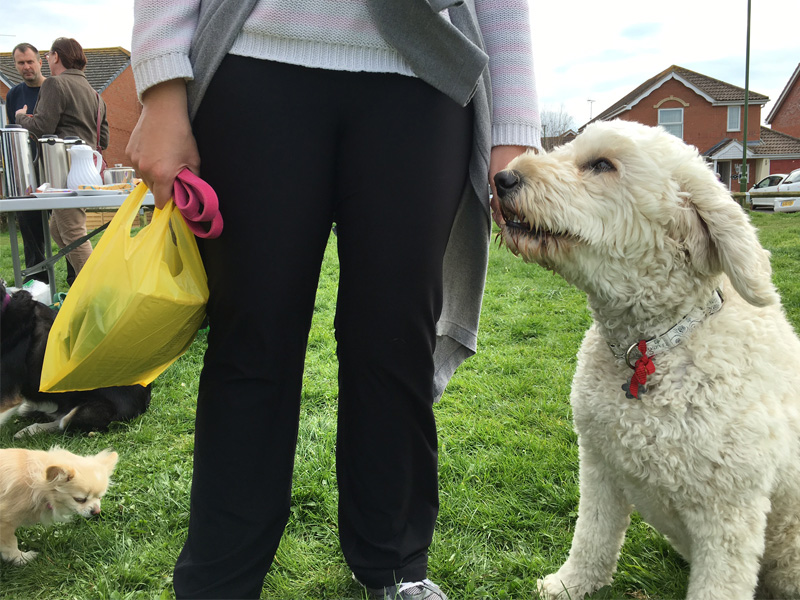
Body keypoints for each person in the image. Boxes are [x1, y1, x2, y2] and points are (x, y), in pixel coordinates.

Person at [128, 2, 541, 599]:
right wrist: (161, 89)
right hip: (255, 61)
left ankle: (397, 569)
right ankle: (219, 581)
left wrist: (514, 129)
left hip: (424, 80)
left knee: (397, 342)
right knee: (251, 339)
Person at [16, 37, 109, 284]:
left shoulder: (55, 84)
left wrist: (21, 118)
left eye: (47, 56)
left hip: (64, 173)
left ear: (56, 56)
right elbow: (105, 139)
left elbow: (42, 126)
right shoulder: (95, 95)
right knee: (58, 229)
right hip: (88, 170)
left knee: (73, 233)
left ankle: (98, 291)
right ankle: (83, 286)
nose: (46, 60)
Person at [5, 43, 49, 284]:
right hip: (26, 172)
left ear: (40, 62)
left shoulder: (54, 89)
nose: (26, 67)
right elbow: (13, 133)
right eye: (21, 63)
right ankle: (39, 284)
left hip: (55, 169)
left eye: (30, 61)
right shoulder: (13, 95)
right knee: (29, 228)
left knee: (66, 230)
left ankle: (76, 283)